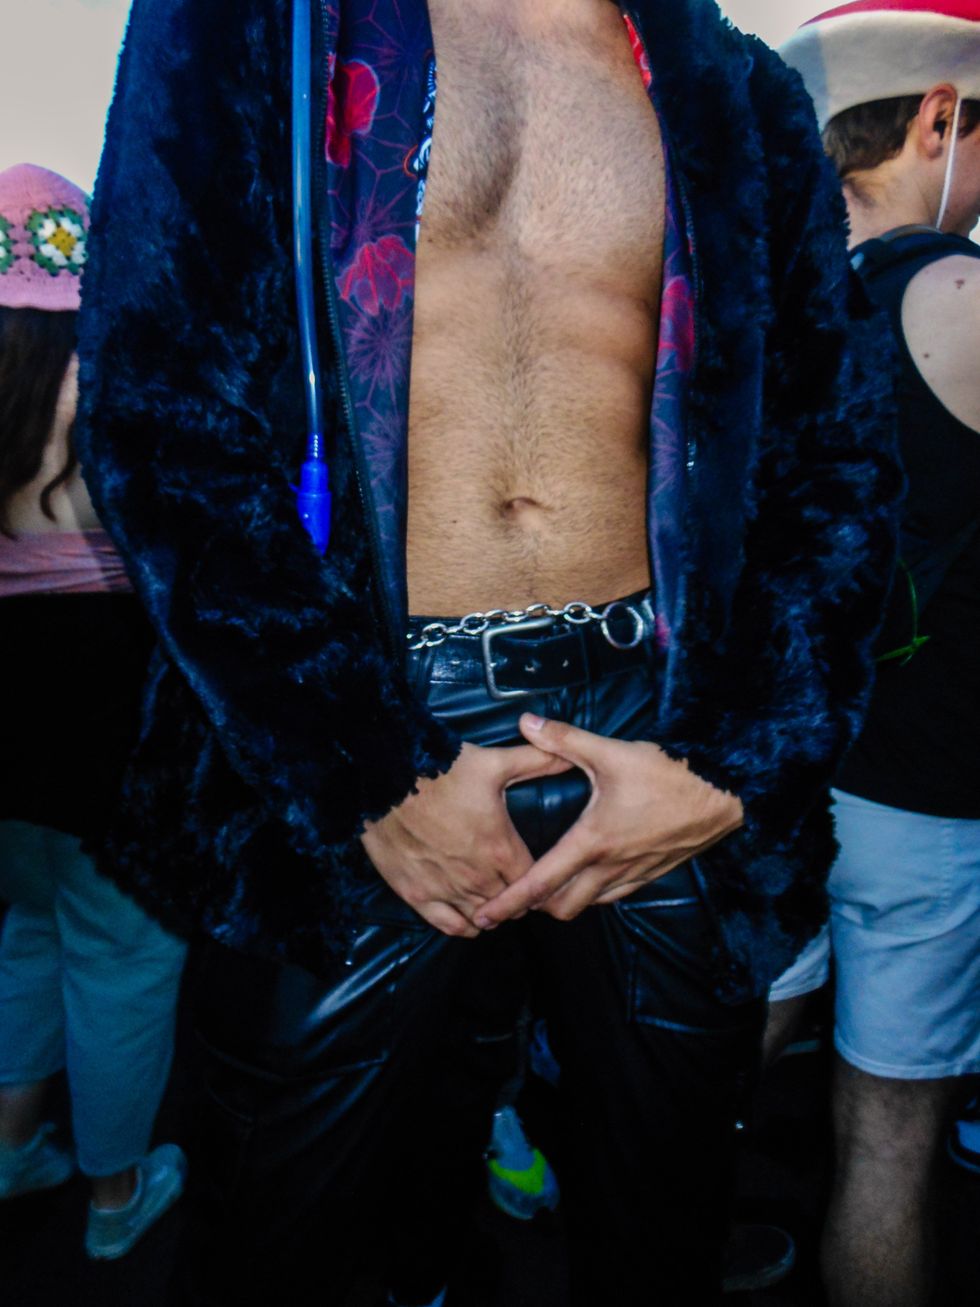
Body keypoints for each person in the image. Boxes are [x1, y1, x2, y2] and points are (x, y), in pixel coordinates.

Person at [75, 1, 899, 1303]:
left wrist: (729, 763)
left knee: (663, 1220)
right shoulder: (249, 28)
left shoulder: (730, 88)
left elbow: (836, 451)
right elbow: (158, 409)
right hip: (359, 731)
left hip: (656, 730)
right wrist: (364, 769)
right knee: (277, 1235)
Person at [776, 5, 980, 1305]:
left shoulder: (763, 303)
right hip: (921, 788)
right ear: (937, 117)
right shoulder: (961, 296)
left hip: (766, 765)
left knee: (713, 1058)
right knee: (888, 1134)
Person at [0, 163, 188, 1261]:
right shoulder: (111, 391)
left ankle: (11, 1145)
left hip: (9, 727)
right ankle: (116, 1198)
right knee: (124, 959)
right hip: (105, 722)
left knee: (30, 931)